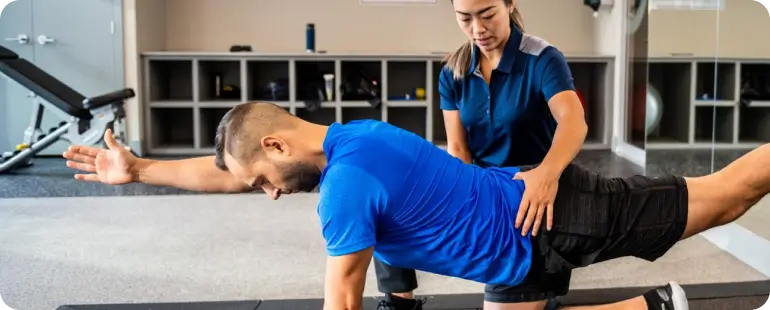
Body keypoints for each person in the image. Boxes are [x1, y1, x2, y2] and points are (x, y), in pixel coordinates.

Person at [65, 102, 770, 310]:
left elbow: (339, 297)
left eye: (265, 180)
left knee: (728, 197)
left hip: (553, 218)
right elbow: (230, 174)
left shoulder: (343, 193)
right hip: (514, 254)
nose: (268, 194)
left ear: (278, 146)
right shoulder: (350, 138)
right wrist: (141, 170)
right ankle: (653, 308)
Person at [374, 0, 590, 307]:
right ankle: (398, 301)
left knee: (525, 295)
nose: (478, 29)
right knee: (387, 195)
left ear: (509, 4)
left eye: (488, 15)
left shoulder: (542, 58)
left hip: (531, 191)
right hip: (484, 188)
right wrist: (461, 200)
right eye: (465, 18)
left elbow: (574, 121)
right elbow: (459, 148)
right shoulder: (454, 71)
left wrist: (547, 174)